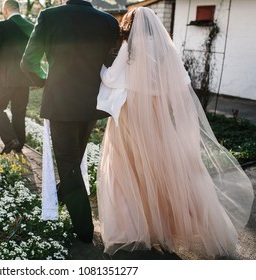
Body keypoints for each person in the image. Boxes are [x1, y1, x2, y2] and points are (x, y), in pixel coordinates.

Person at [97, 7, 254, 258]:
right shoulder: (164, 49)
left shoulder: (131, 47)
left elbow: (113, 79)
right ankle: (169, 227)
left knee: (128, 169)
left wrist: (98, 71)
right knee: (161, 169)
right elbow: (181, 83)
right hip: (158, 116)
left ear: (130, 24)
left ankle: (135, 227)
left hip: (131, 115)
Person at [20, 0, 120, 243]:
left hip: (61, 101)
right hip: (91, 103)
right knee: (72, 162)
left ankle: (85, 230)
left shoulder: (49, 16)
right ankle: (60, 196)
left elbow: (28, 62)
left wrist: (45, 81)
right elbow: (112, 64)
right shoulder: (108, 21)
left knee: (68, 164)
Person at [0, 0, 34, 154]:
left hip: (4, 78)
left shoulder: (1, 25)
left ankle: (10, 140)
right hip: (24, 78)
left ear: (5, 11)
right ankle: (19, 145)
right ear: (19, 9)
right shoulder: (30, 27)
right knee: (19, 111)